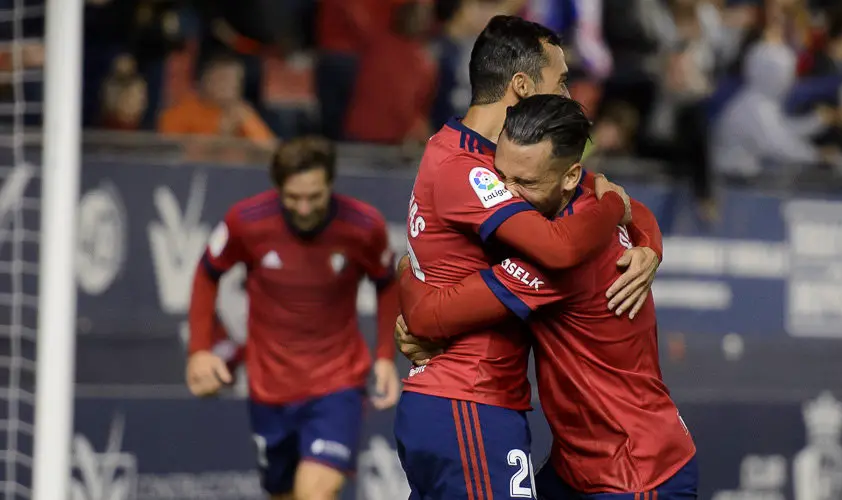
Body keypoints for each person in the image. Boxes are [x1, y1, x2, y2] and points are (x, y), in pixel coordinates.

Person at [395, 15, 664, 499]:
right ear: (521, 85)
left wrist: (647, 244)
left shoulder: (513, 159)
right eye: (560, 81)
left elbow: (618, 202)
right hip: (468, 398)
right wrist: (613, 208)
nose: (567, 94)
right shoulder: (466, 168)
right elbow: (562, 246)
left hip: (465, 400)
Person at [185, 137, 401, 500]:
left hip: (337, 386)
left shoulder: (364, 226)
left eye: (314, 197)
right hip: (269, 391)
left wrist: (383, 356)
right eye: (293, 197)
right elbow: (207, 274)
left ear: (330, 184)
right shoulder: (246, 221)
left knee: (314, 493)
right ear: (278, 188)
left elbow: (387, 284)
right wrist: (199, 351)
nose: (304, 208)